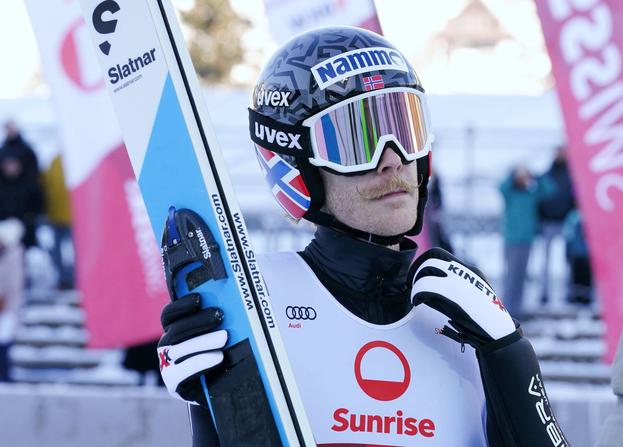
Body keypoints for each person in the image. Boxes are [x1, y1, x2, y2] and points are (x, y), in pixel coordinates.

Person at [157, 27, 567, 446]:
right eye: (356, 140)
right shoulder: (257, 301)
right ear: (298, 165)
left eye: (404, 130)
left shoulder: (465, 314)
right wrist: (210, 406)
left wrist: (510, 355)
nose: (392, 160)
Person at [499, 166, 553, 320]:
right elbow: (501, 187)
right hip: (511, 240)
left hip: (526, 240)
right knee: (511, 276)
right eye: (520, 176)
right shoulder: (510, 193)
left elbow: (549, 190)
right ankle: (506, 309)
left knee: (521, 276)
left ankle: (517, 309)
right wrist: (513, 174)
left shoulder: (531, 195)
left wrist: (536, 176)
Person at [537, 146, 575, 304]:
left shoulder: (571, 175)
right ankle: (544, 292)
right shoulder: (546, 175)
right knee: (545, 260)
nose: (560, 155)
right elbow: (539, 198)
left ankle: (568, 292)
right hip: (548, 223)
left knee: (567, 260)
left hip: (565, 223)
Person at [0, 120, 43, 250]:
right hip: (5, 215)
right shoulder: (3, 150)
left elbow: (35, 179)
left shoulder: (27, 151)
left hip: (25, 213)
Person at [562, 208, 592, 305]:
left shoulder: (574, 216)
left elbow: (568, 235)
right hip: (581, 253)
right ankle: (580, 296)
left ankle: (582, 296)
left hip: (581, 253)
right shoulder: (575, 216)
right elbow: (568, 234)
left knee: (581, 276)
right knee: (580, 276)